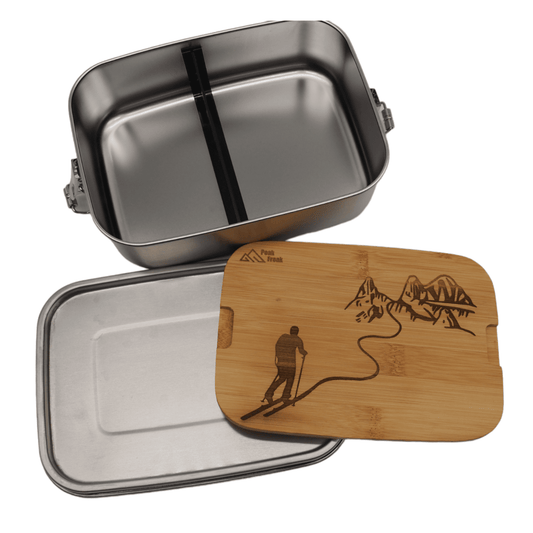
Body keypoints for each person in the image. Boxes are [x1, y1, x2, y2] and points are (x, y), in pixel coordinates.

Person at [263, 326, 308, 404]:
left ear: (290, 331)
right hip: (290, 364)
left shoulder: (283, 337)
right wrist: (305, 353)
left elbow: (277, 346)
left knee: (281, 378)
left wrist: (279, 356)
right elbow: (301, 351)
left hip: (281, 362)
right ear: (297, 332)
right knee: (290, 379)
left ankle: (269, 393)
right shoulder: (297, 339)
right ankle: (285, 396)